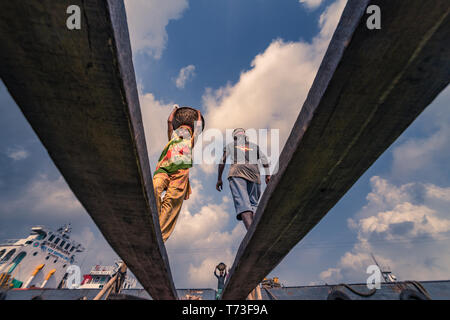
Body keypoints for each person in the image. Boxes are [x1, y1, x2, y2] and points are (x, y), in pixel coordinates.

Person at [153, 105, 202, 242]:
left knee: (171, 203)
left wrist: (198, 114)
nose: (183, 131)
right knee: (155, 188)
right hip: (164, 168)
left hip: (180, 173)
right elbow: (169, 122)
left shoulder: (190, 142)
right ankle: (153, 221)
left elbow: (197, 129)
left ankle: (159, 236)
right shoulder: (171, 139)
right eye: (180, 129)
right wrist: (175, 110)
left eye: (186, 130)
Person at [216, 128, 270, 230]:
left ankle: (252, 235)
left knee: (243, 204)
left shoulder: (231, 145)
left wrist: (219, 179)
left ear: (235, 137)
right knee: (253, 205)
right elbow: (265, 160)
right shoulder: (254, 146)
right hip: (255, 175)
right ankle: (256, 231)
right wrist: (267, 175)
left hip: (238, 173)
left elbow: (222, 161)